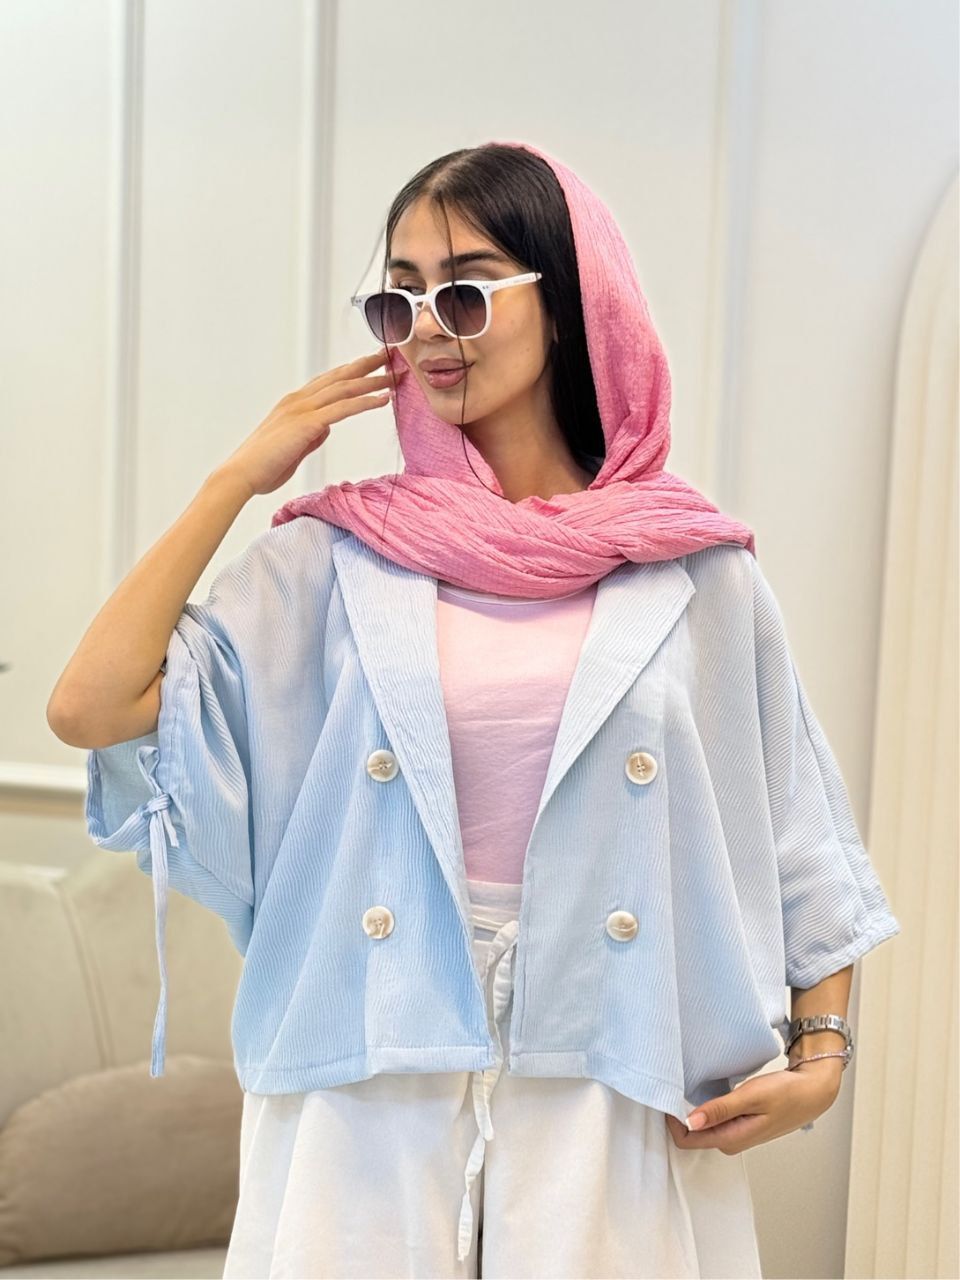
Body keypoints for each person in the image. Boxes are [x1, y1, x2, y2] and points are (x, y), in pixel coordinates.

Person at [48, 140, 901, 1279]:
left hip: (612, 1065)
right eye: (397, 300)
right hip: (369, 1072)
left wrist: (823, 1055)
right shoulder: (335, 557)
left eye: (464, 291)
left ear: (571, 306)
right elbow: (90, 706)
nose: (426, 331)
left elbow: (798, 830)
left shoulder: (696, 569)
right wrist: (236, 480)